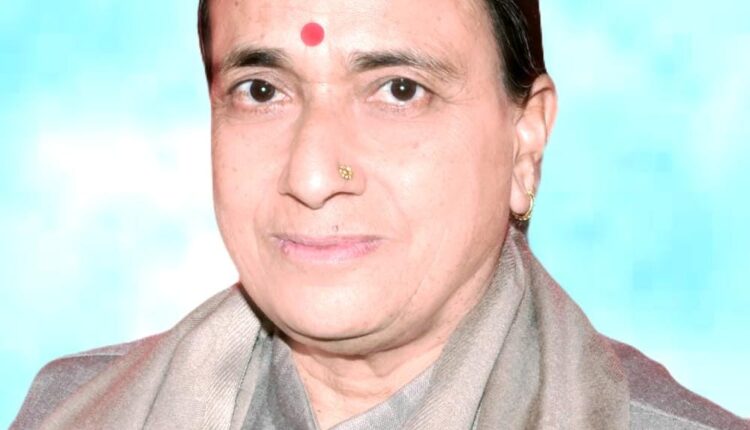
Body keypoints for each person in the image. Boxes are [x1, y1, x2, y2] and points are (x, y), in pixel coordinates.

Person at [12, 0, 749, 429]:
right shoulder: (72, 412)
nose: (312, 176)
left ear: (525, 141)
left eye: (399, 90)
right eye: (261, 91)